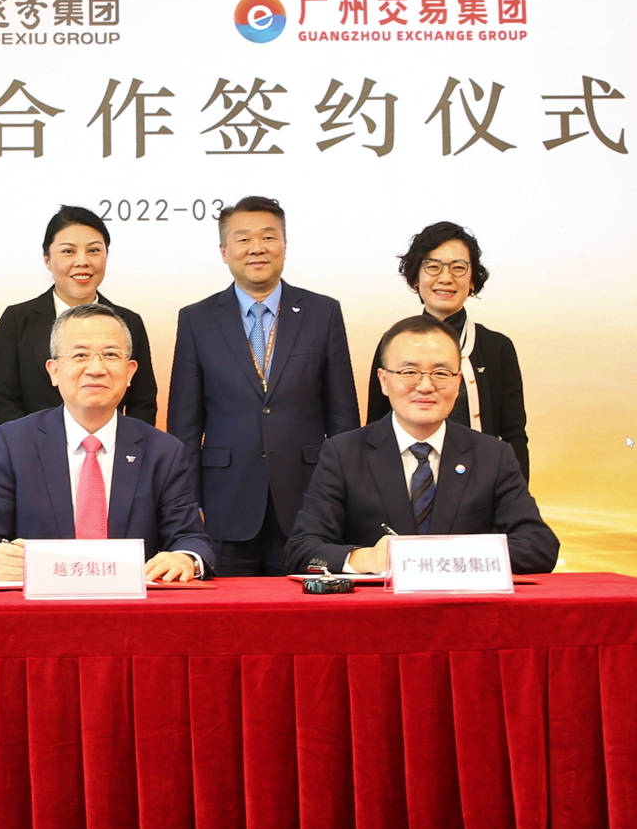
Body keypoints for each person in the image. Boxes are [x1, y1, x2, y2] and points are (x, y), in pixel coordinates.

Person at [166, 195, 360, 577]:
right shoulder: (197, 319)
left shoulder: (323, 312)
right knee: (228, 607)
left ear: (284, 244)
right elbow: (184, 425)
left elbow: (343, 419)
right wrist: (188, 505)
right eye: (243, 239)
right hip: (224, 502)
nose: (257, 248)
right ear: (224, 251)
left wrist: (345, 496)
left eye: (269, 237)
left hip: (307, 500)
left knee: (303, 606)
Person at [284, 315, 557, 576]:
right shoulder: (344, 453)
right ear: (384, 381)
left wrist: (446, 557)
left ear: (457, 382)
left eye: (441, 373)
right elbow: (301, 551)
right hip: (377, 605)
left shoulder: (492, 455)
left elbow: (539, 546)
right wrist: (367, 558)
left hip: (462, 603)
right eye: (409, 372)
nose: (426, 386)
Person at [0, 303, 215, 582]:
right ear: (54, 371)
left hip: (131, 604)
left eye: (110, 355)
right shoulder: (14, 443)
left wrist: (185, 558)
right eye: (80, 355)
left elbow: (191, 538)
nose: (96, 369)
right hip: (41, 603)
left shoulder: (163, 450)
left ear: (130, 372)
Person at [364, 221, 530, 481]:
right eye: (433, 266)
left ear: (473, 280)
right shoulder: (393, 342)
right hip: (408, 484)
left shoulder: (497, 347)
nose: (445, 277)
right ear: (415, 279)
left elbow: (514, 434)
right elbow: (376, 426)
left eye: (458, 267)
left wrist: (516, 496)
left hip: (481, 484)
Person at [0, 205, 158, 427]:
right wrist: (30, 444)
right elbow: (1, 400)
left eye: (93, 250)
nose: (82, 261)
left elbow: (142, 403)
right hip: (32, 447)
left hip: (108, 447)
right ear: (47, 259)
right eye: (68, 251)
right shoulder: (18, 320)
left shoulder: (128, 322)